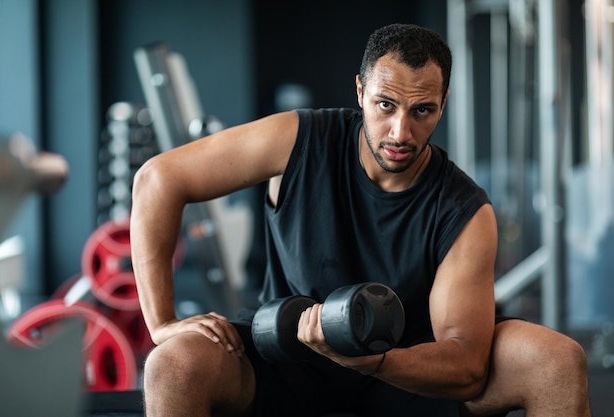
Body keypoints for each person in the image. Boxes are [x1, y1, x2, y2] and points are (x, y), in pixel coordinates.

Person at [130, 23, 591, 417]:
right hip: (285, 355)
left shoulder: (465, 210)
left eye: (422, 111)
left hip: (408, 369)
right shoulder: (297, 140)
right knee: (173, 362)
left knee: (556, 361)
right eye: (385, 105)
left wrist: (371, 362)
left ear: (442, 104)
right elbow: (158, 180)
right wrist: (162, 323)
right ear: (360, 91)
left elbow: (466, 367)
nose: (400, 132)